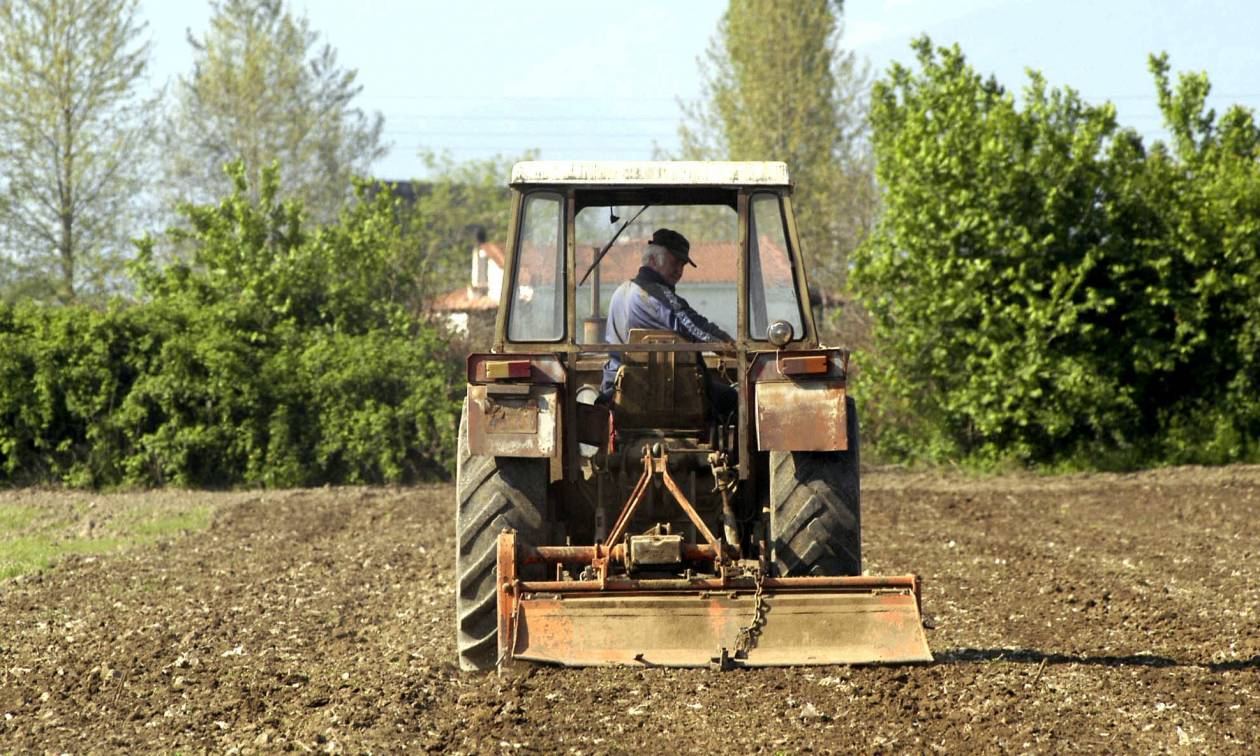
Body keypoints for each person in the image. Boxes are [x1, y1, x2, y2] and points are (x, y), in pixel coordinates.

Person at [599, 228, 736, 413]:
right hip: (656, 389)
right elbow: (696, 328)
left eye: (683, 265)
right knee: (733, 398)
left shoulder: (621, 291)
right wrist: (733, 348)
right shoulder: (656, 295)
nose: (679, 271)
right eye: (675, 263)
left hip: (618, 388)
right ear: (653, 260)